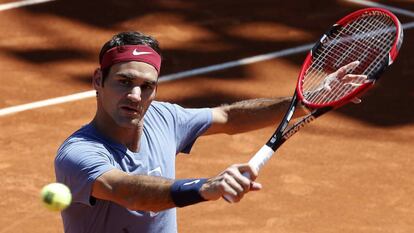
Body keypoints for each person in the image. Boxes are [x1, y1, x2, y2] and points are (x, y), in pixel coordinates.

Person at [54, 31, 366, 233]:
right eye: (124, 81)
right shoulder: (78, 153)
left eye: (146, 86)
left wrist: (304, 101)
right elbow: (131, 193)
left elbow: (228, 116)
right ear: (98, 80)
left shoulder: (163, 117)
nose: (135, 95)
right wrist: (204, 187)